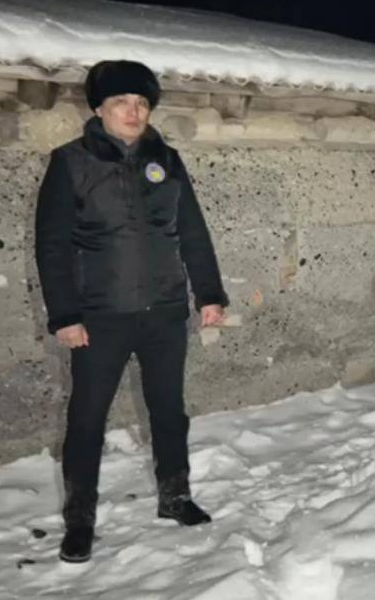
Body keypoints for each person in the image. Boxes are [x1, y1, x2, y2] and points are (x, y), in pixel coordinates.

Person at [34, 59, 229, 563]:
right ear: (98, 108)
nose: (133, 110)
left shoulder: (167, 159)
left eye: (141, 102)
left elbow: (192, 231)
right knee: (86, 419)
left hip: (164, 311)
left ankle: (175, 496)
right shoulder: (71, 162)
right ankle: (80, 519)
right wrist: (64, 315)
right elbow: (52, 245)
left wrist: (208, 294)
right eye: (122, 101)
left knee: (169, 411)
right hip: (100, 316)